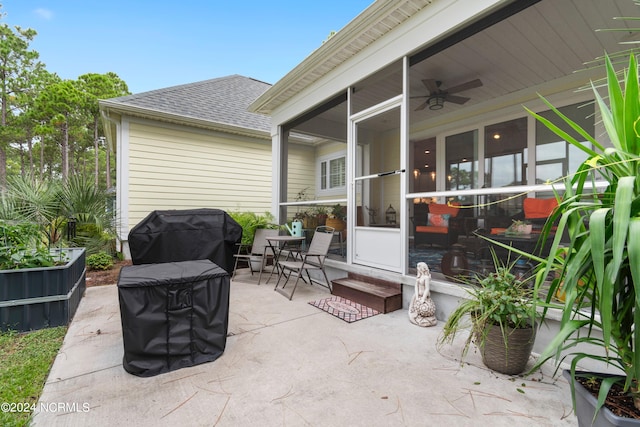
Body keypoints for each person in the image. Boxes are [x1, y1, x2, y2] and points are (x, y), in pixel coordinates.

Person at [408, 262, 437, 327]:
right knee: (412, 306)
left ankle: (425, 317)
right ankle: (415, 316)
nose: (417, 269)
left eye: (419, 267)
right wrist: (417, 296)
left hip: (424, 296)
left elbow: (427, 289)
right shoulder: (419, 277)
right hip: (418, 295)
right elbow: (416, 287)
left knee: (424, 307)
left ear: (422, 268)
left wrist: (423, 298)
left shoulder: (426, 278)